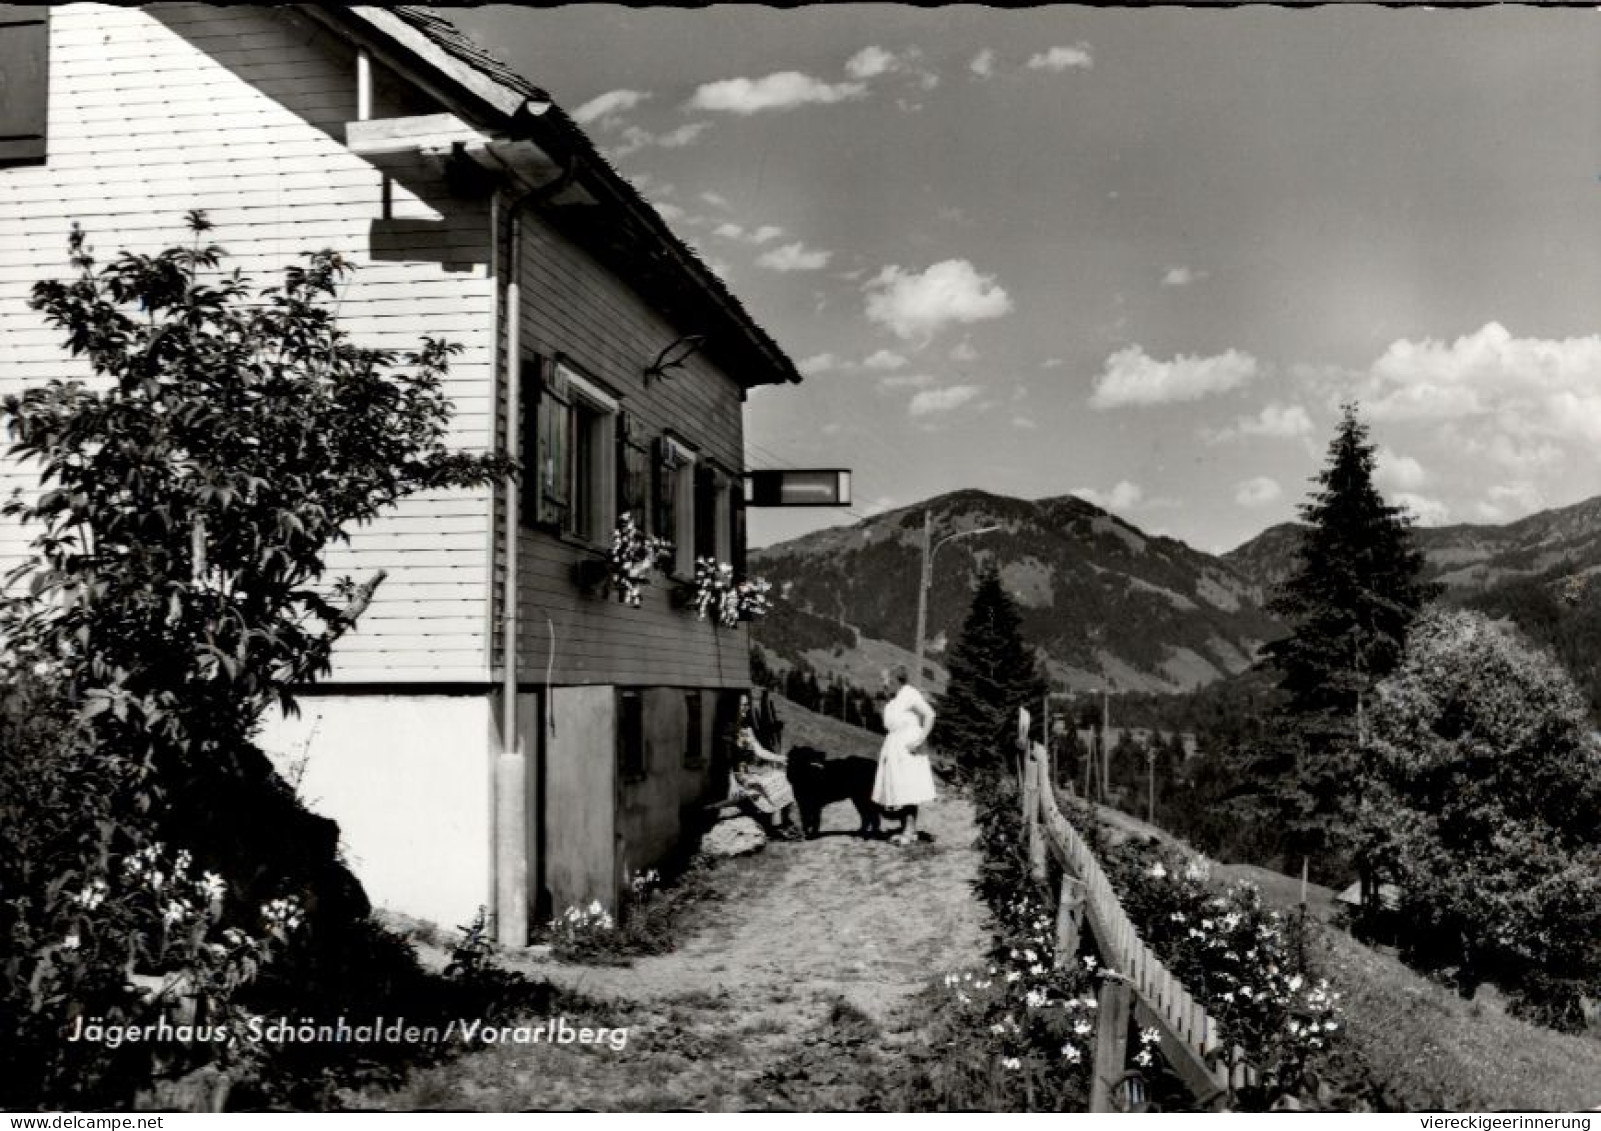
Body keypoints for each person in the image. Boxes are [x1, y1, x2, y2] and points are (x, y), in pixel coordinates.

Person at [872, 666, 936, 845]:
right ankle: (907, 829)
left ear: (894, 681)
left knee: (909, 791)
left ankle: (909, 831)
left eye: (886, 682)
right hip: (895, 748)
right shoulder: (893, 700)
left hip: (909, 748)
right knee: (899, 790)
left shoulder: (910, 694)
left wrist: (920, 740)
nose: (884, 686)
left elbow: (930, 714)